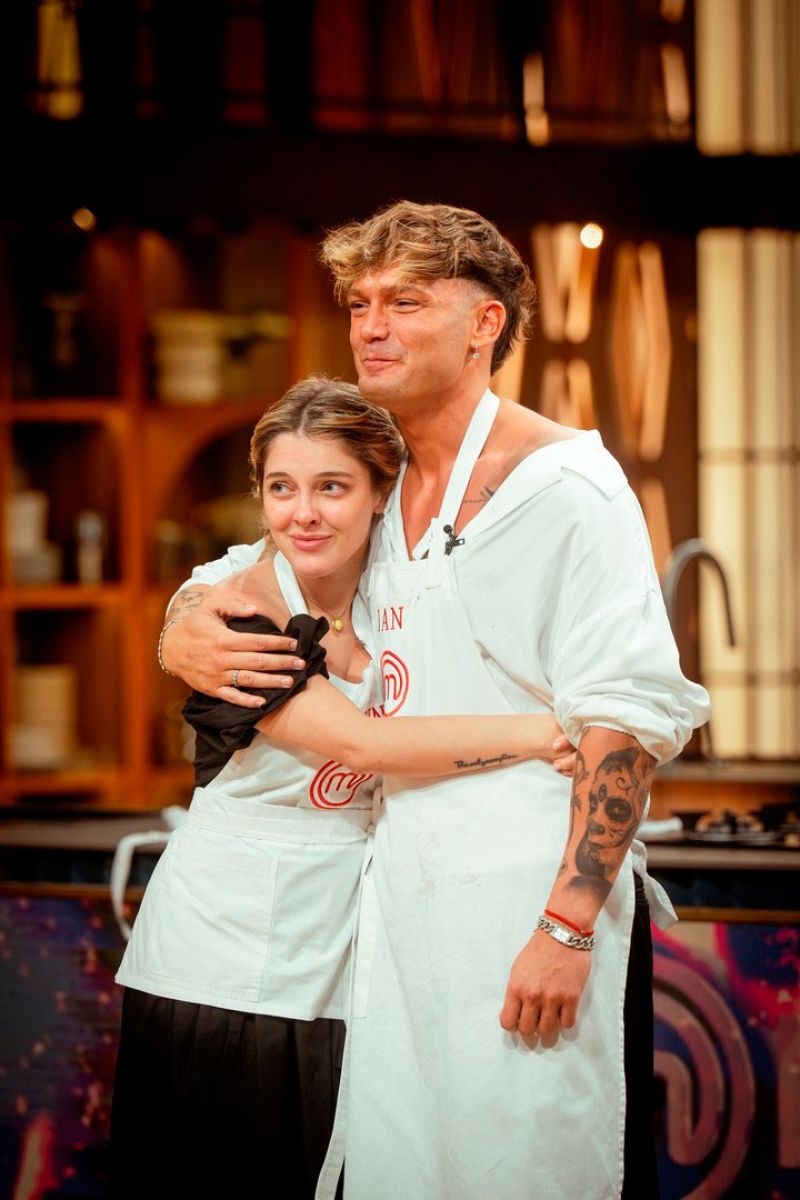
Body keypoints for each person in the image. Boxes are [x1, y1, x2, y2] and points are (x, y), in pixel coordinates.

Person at [161, 203, 711, 1199]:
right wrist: (182, 621)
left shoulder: (567, 490)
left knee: (526, 1170)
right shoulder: (385, 481)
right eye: (359, 303)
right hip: (395, 922)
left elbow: (625, 718)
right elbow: (258, 566)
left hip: (524, 912)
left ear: (485, 323)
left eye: (406, 302)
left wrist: (567, 926)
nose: (372, 326)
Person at [108, 375, 576, 1200]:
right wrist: (547, 732)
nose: (304, 514)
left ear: (380, 492)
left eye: (332, 487)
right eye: (281, 489)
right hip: (223, 962)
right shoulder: (241, 614)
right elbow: (363, 744)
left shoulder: (405, 589)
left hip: (353, 963)